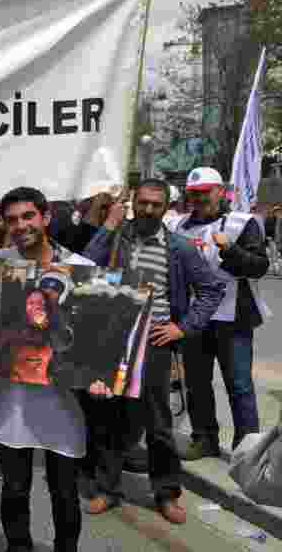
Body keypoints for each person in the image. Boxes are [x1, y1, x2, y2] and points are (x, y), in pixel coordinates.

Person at [0, 186, 101, 552]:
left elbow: (99, 334)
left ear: (46, 216)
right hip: (12, 399)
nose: (20, 226)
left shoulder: (82, 269)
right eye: (12, 219)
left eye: (28, 217)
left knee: (65, 493)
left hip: (62, 401)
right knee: (14, 489)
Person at [84, 179, 225, 524]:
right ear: (133, 201)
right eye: (142, 203)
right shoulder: (116, 239)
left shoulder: (179, 248)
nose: (147, 210)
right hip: (115, 341)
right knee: (110, 417)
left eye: (155, 205)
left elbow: (211, 289)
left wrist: (183, 327)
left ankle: (166, 493)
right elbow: (83, 268)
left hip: (154, 344)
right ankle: (107, 488)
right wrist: (108, 226)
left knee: (159, 424)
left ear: (165, 208)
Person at [166, 167, 271, 458]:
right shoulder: (177, 226)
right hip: (194, 318)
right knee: (197, 383)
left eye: (204, 193)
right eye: (193, 194)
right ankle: (204, 438)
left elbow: (259, 267)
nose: (198, 199)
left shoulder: (242, 223)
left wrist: (231, 250)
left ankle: (247, 451)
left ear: (220, 192)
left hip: (232, 317)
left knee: (239, 385)